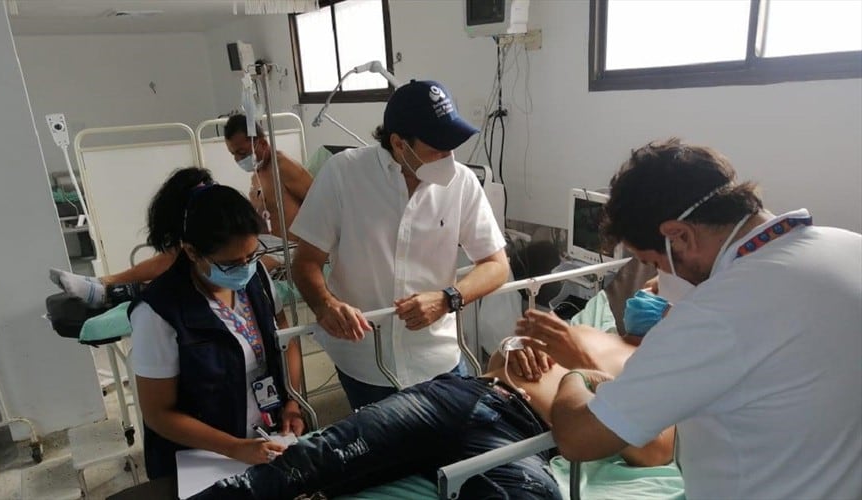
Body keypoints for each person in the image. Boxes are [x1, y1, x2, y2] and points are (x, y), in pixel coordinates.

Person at [524, 138, 862, 499]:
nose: (659, 278)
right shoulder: (848, 246)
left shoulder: (713, 315)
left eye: (655, 263)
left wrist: (574, 376)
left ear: (679, 236)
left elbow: (579, 438)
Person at [188, 325, 675, 500]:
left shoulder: (662, 372)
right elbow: (500, 357)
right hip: (460, 396)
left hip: (519, 440)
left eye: (661, 295)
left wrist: (585, 376)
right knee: (309, 460)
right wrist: (509, 347)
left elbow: (654, 453)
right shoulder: (581, 325)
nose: (648, 296)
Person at [291, 80, 510, 410]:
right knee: (386, 457)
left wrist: (448, 298)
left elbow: (497, 265)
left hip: (438, 356)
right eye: (436, 148)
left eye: (452, 147)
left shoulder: (461, 183)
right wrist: (325, 304)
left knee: (452, 451)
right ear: (398, 144)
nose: (447, 157)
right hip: (365, 359)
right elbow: (305, 260)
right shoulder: (344, 175)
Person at [128, 168, 305, 480]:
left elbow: (285, 340)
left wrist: (292, 401)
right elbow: (158, 414)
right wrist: (234, 447)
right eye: (232, 263)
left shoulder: (257, 279)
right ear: (192, 252)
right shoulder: (159, 313)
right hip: (202, 460)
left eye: (252, 255)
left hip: (267, 437)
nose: (246, 268)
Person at [49, 114, 313, 306]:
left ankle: (123, 293)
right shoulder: (258, 172)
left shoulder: (285, 168)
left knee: (200, 273)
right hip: (259, 242)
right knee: (185, 251)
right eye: (233, 154)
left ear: (262, 143)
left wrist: (315, 254)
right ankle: (106, 282)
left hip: (287, 250)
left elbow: (322, 207)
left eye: (242, 152)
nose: (238, 159)